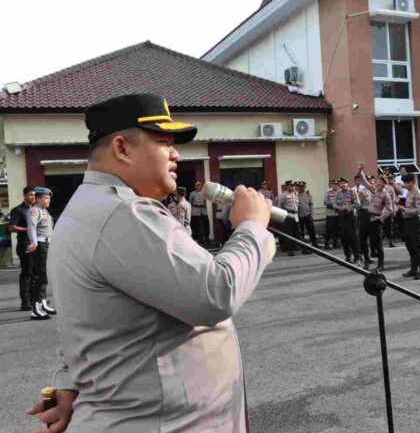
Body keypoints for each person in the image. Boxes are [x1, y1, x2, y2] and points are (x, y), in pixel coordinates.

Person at [27, 93, 274, 432]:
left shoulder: (86, 208)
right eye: (163, 142)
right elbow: (216, 293)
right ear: (121, 148)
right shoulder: (123, 213)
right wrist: (252, 228)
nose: (175, 155)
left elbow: (92, 321)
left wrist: (70, 381)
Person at [25, 187, 57, 320]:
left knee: (46, 276)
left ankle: (43, 303)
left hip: (47, 245)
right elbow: (31, 227)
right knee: (41, 276)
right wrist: (34, 243)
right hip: (40, 245)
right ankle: (36, 309)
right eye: (45, 198)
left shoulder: (45, 211)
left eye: (49, 198)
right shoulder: (34, 211)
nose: (48, 200)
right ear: (38, 199)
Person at [359, 166, 394, 271]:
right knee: (363, 240)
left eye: (382, 183)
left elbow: (390, 210)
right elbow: (365, 182)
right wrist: (360, 171)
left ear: (385, 184)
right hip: (366, 217)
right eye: (378, 182)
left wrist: (379, 218)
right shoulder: (373, 189)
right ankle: (366, 261)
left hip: (376, 219)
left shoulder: (385, 195)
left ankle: (380, 264)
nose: (379, 184)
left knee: (377, 243)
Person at [7, 186, 35, 311]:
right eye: (30, 195)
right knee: (27, 273)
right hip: (24, 244)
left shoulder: (36, 210)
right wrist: (27, 229)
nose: (33, 197)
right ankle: (25, 302)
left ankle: (35, 300)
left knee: (36, 274)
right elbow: (11, 227)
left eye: (34, 195)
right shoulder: (17, 210)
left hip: (36, 246)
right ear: (24, 195)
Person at [395, 173, 420, 279]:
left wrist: (403, 209)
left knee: (418, 247)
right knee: (410, 247)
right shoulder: (409, 192)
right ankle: (414, 269)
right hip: (407, 221)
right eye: (404, 183)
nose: (405, 185)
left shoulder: (418, 193)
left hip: (415, 222)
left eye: (406, 183)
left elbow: (418, 210)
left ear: (412, 182)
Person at [334, 178, 361, 265]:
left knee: (353, 238)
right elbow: (334, 204)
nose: (342, 185)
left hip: (351, 217)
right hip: (341, 217)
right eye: (340, 184)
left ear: (347, 183)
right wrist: (338, 208)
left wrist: (347, 208)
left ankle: (357, 258)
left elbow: (357, 204)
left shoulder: (352, 192)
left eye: (343, 183)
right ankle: (348, 257)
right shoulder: (338, 193)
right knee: (343, 237)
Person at [276, 180, 303, 256]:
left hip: (295, 215)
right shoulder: (283, 195)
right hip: (288, 215)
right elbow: (280, 207)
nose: (293, 187)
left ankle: (295, 246)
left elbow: (297, 204)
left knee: (296, 232)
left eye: (293, 186)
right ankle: (289, 249)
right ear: (287, 186)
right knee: (288, 233)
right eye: (291, 185)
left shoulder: (295, 194)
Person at [297, 181, 318, 249]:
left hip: (307, 215)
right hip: (299, 216)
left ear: (305, 187)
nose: (301, 188)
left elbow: (311, 205)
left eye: (302, 187)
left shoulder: (308, 195)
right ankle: (302, 245)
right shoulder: (296, 195)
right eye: (300, 187)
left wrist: (312, 214)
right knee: (301, 231)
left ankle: (314, 243)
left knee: (311, 230)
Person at [323, 179, 341, 249]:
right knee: (329, 229)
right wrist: (332, 204)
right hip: (330, 213)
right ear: (331, 185)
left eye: (336, 184)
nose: (335, 186)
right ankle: (326, 244)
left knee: (337, 229)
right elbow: (325, 202)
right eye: (334, 184)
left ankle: (335, 243)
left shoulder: (340, 191)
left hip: (338, 213)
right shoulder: (328, 192)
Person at [383, 175, 398, 247]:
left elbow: (393, 200)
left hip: (389, 210)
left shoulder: (390, 188)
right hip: (381, 211)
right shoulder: (378, 188)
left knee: (390, 226)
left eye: (385, 179)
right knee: (381, 226)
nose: (384, 180)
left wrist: (394, 210)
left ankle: (391, 241)